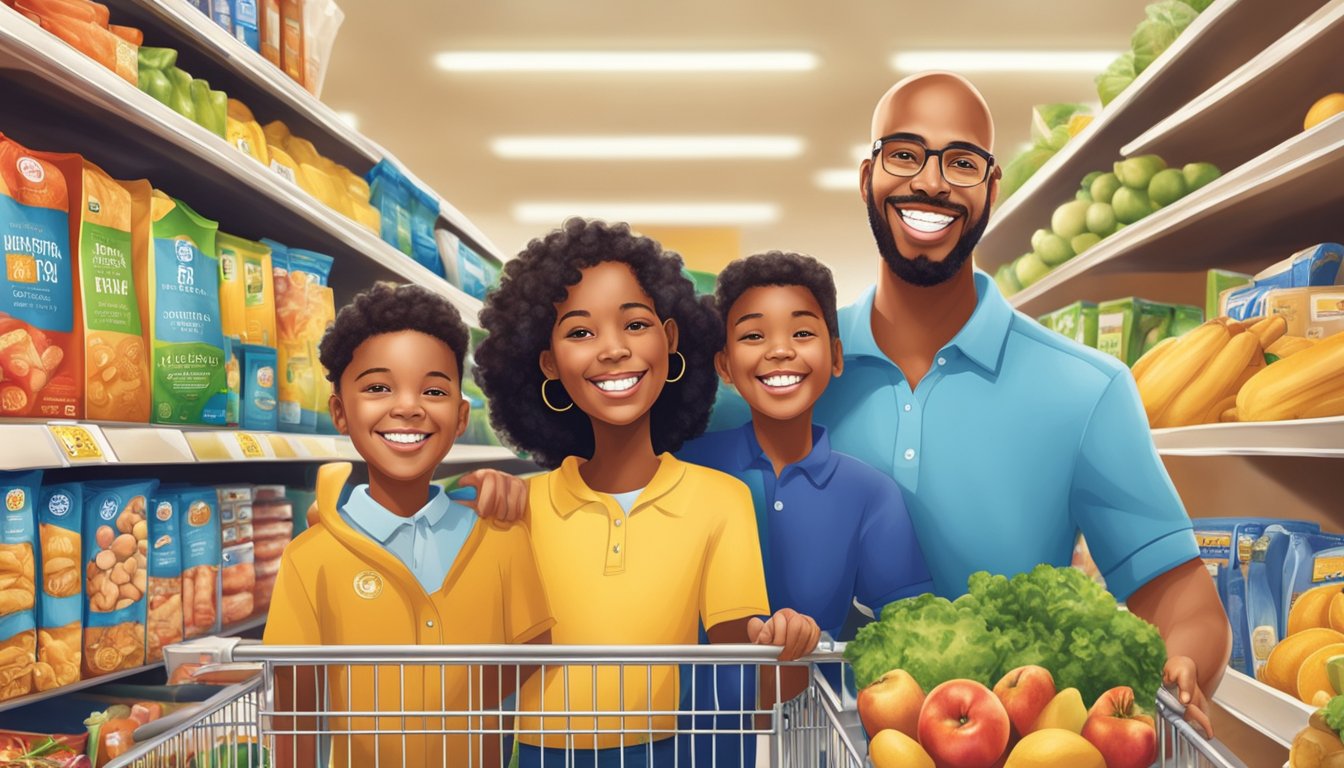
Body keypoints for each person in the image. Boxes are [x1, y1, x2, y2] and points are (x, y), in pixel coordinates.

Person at [707, 72, 1231, 734]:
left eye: (961, 162)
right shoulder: (773, 379)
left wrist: (1184, 660)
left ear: (991, 188)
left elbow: (1183, 597)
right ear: (867, 175)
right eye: (904, 154)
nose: (930, 182)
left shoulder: (1085, 390)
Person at [474, 218, 820, 768]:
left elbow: (745, 686)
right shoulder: (520, 507)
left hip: (666, 754)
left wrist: (786, 650)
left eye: (634, 324)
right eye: (580, 332)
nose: (612, 350)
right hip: (538, 756)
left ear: (670, 337)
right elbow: (478, 678)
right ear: (548, 365)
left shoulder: (721, 501)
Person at [264, 282, 555, 768]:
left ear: (461, 417)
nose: (408, 406)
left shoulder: (502, 539)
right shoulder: (311, 555)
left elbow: (533, 649)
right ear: (340, 411)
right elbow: (298, 700)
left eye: (434, 390)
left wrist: (455, 702)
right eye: (378, 387)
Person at [677, 250, 935, 765]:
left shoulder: (870, 494)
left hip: (806, 737)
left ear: (835, 357)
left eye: (801, 333)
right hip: (682, 740)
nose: (779, 351)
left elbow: (911, 634)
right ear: (724, 365)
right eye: (753, 335)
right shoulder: (682, 469)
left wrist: (816, 647)